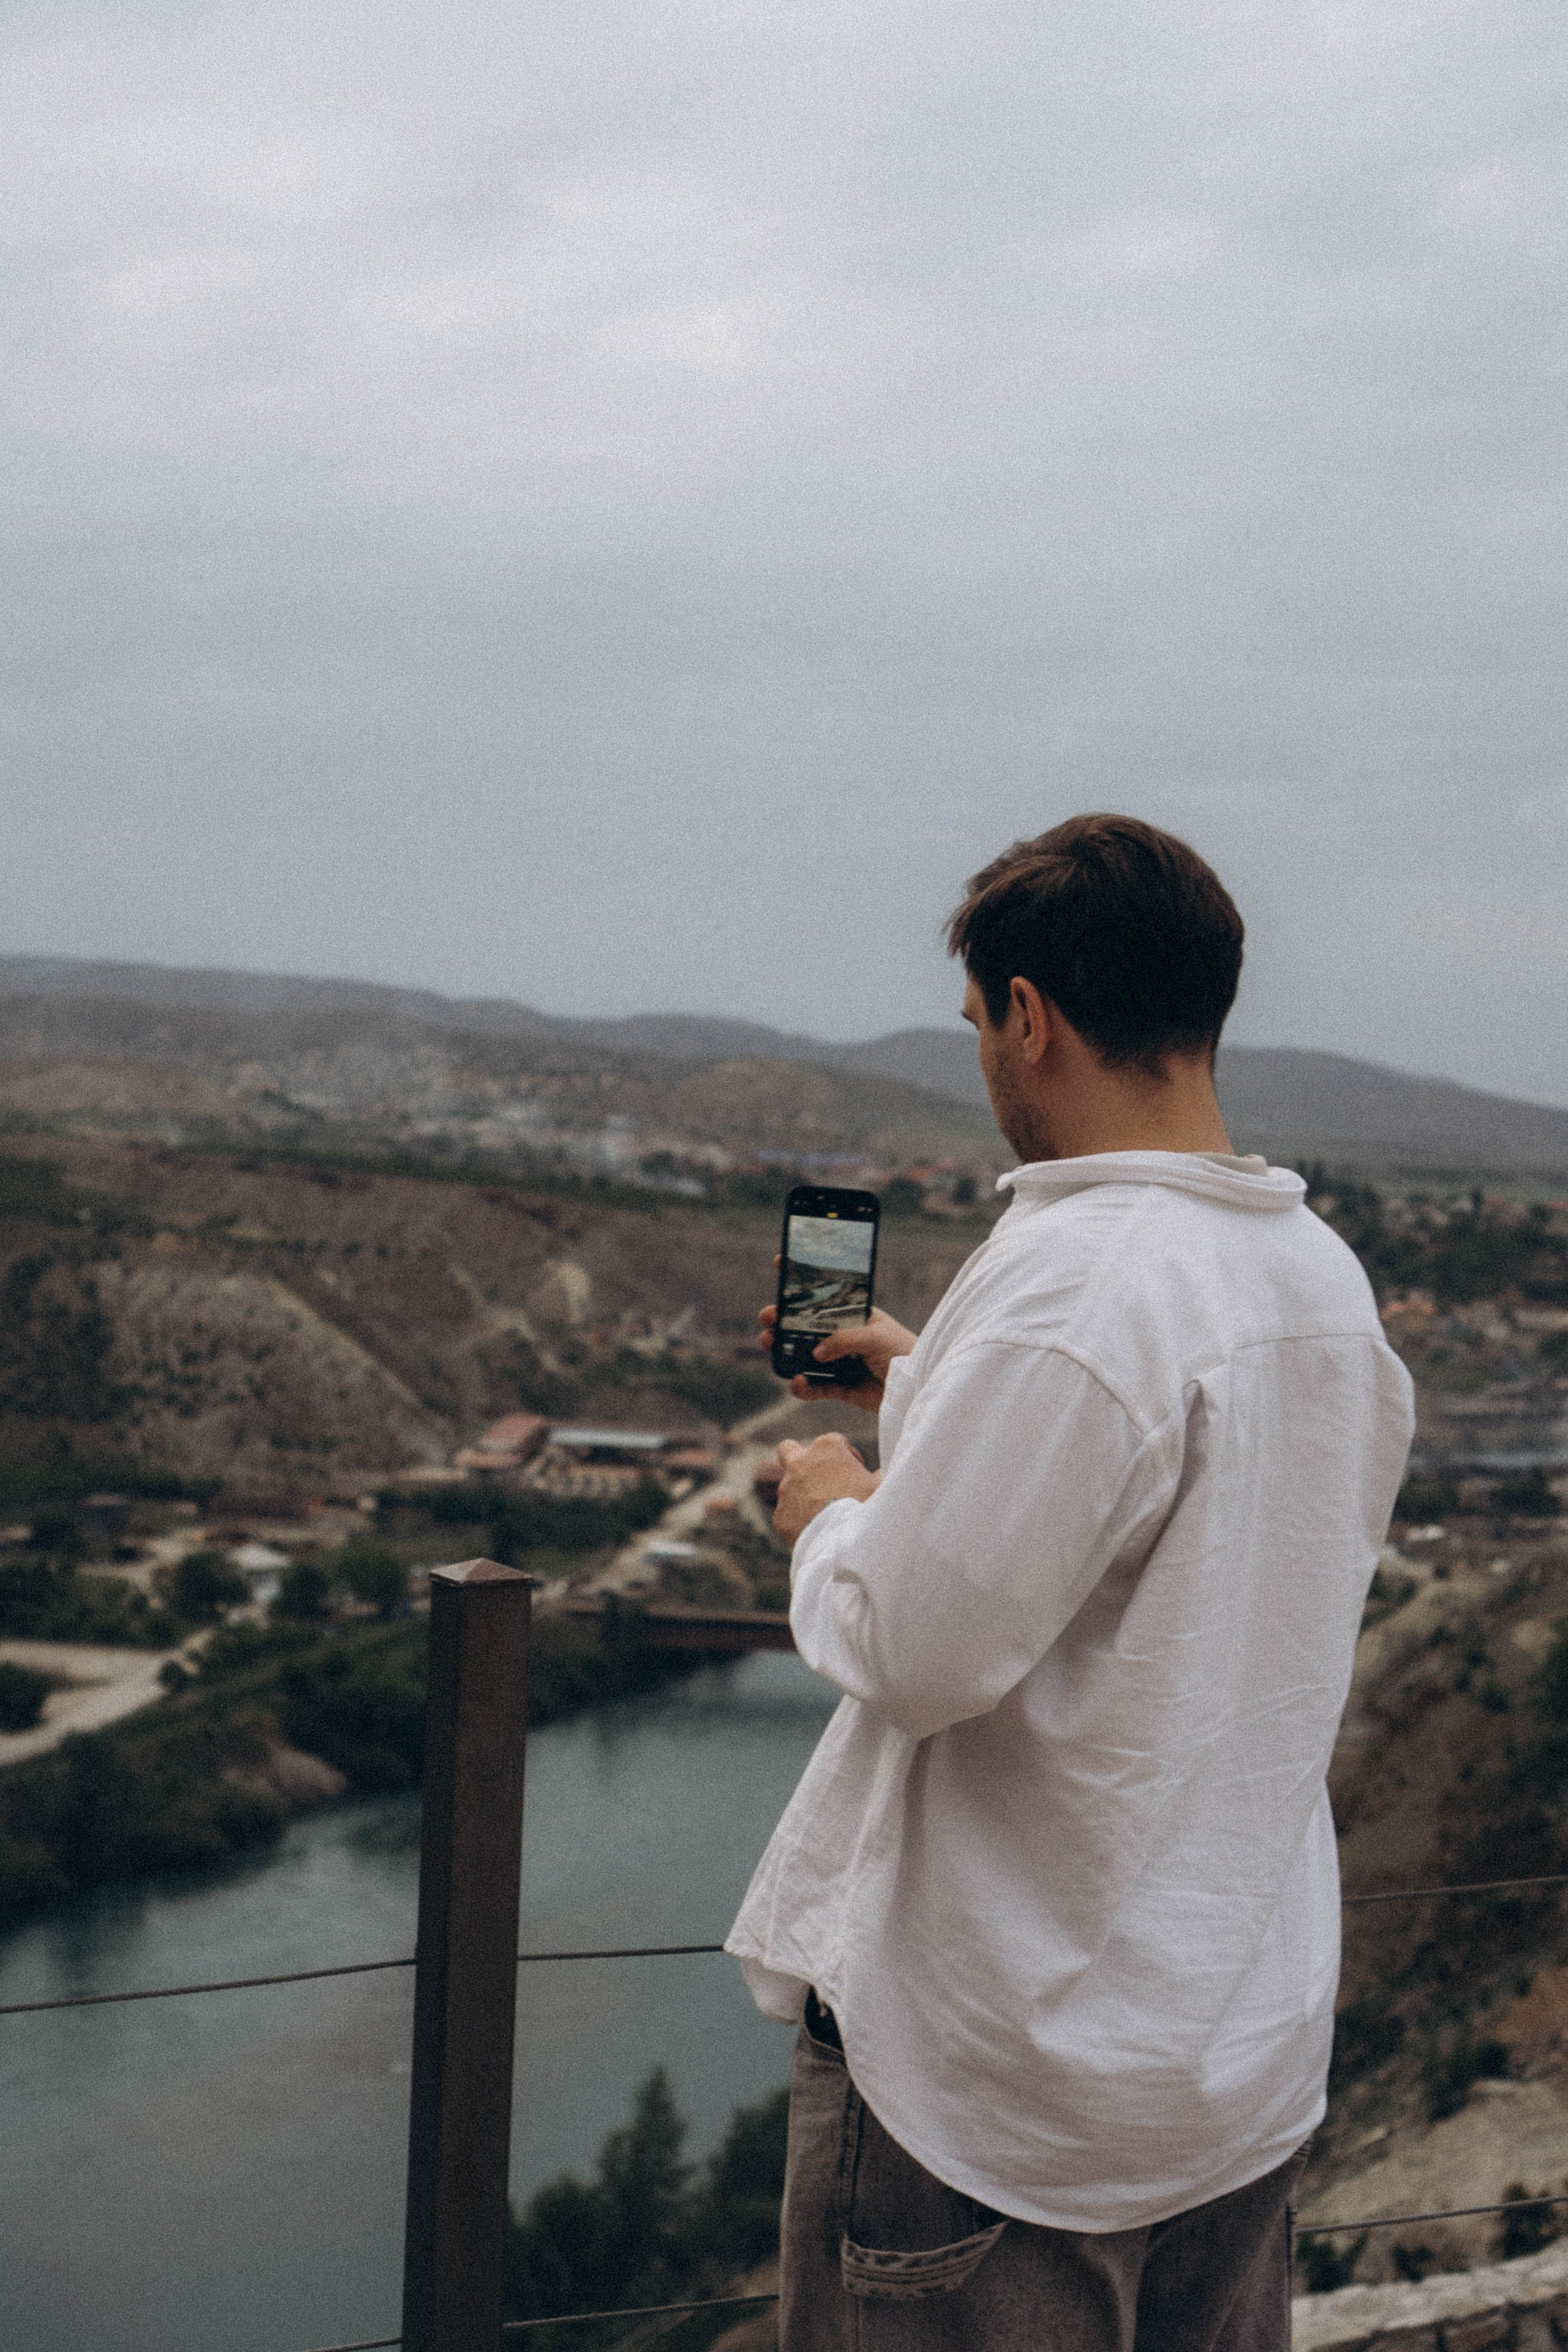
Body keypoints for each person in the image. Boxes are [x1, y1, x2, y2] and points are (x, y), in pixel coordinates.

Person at [725, 815, 1414, 2352]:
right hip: (1219, 2074)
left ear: (1028, 1018)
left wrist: (828, 1510)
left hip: (1008, 2106)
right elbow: (1156, 1508)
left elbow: (910, 1646)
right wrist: (931, 1381)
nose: (981, 1057)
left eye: (978, 1022)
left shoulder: (1076, 1279)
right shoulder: (1311, 1279)